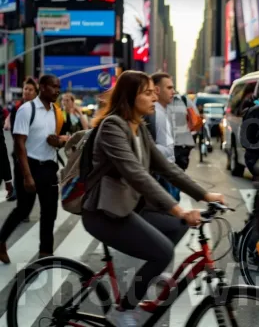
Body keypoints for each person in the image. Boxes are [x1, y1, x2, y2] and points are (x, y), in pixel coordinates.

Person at [81, 71, 224, 327]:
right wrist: (179, 209)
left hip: (130, 206)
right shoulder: (113, 127)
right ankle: (123, 310)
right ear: (130, 96)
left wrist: (204, 194)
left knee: (176, 230)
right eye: (148, 93)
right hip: (104, 212)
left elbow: (167, 169)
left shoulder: (139, 128)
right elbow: (137, 176)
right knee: (163, 251)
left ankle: (144, 279)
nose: (154, 99)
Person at [0, 75, 66, 263]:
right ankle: (1, 241)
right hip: (30, 166)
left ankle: (46, 252)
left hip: (49, 167)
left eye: (58, 87)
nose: (57, 90)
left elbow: (61, 138)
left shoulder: (56, 111)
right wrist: (28, 177)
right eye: (54, 87)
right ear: (43, 87)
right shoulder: (26, 110)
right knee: (23, 209)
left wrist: (59, 142)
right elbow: (19, 145)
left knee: (50, 211)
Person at [144, 73, 179, 200]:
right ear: (157, 90)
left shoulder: (161, 112)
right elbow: (166, 150)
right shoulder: (158, 114)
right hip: (163, 178)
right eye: (169, 88)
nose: (173, 92)